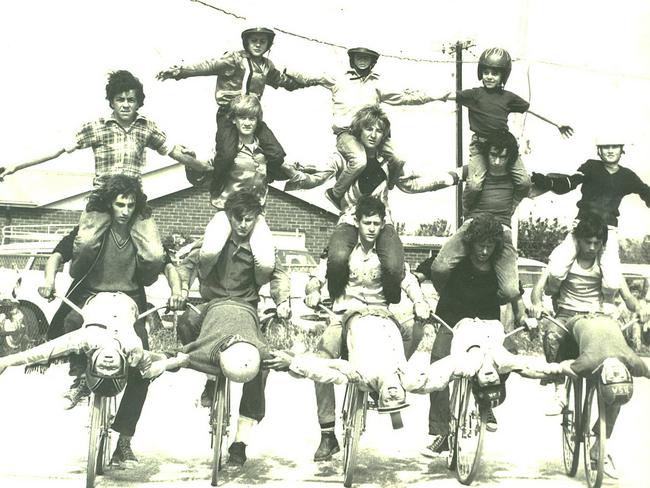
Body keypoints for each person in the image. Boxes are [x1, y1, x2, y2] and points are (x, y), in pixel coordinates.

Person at [31, 175, 182, 467]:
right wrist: (49, 281)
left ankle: (123, 441)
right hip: (91, 298)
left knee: (142, 368)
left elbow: (168, 265)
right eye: (119, 204)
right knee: (73, 322)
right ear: (109, 206)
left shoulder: (143, 237)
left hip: (129, 304)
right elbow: (57, 255)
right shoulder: (92, 231)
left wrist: (178, 290)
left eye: (130, 205)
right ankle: (81, 377)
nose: (125, 211)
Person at [285, 196, 431, 461]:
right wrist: (313, 291)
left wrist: (420, 302)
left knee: (415, 330)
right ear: (358, 222)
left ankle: (387, 380)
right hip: (343, 315)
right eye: (367, 223)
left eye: (377, 223)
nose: (372, 228)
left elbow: (407, 279)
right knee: (322, 361)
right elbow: (317, 277)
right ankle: (328, 434)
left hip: (382, 315)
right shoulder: (342, 251)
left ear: (383, 224)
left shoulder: (389, 255)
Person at [161, 190, 292, 467]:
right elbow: (188, 265)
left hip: (245, 309)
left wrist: (283, 301)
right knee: (186, 322)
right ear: (228, 217)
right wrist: (181, 289)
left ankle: (240, 441)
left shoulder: (260, 249)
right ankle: (209, 378)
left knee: (257, 361)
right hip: (212, 305)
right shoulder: (214, 243)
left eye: (249, 219)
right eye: (238, 218)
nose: (243, 225)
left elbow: (279, 275)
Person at [285, 104, 459, 305]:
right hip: (351, 218)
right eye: (369, 128)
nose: (374, 135)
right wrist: (290, 173)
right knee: (339, 258)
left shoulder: (387, 162)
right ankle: (332, 297)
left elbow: (413, 184)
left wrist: (455, 177)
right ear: (359, 130)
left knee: (394, 266)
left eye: (379, 130)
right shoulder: (343, 159)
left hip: (381, 222)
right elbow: (318, 177)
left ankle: (389, 299)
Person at [531, 213, 650, 479]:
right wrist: (538, 305)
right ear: (578, 240)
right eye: (588, 241)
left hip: (597, 318)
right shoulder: (566, 260)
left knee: (618, 380)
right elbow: (538, 288)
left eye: (597, 242)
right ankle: (559, 390)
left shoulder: (605, 265)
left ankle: (600, 443)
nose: (592, 247)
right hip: (566, 315)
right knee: (551, 336)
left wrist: (640, 308)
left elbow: (626, 295)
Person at [286, 47, 448, 208]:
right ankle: (335, 193)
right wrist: (288, 71)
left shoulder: (377, 85)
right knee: (359, 161)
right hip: (348, 134)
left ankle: (389, 184)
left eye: (366, 58)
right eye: (359, 58)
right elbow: (314, 77)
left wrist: (437, 96)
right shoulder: (339, 79)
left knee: (398, 159)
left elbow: (405, 97)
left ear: (372, 62)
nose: (362, 61)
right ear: (353, 60)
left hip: (371, 132)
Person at [424, 214, 529, 457]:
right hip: (451, 321)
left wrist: (523, 315)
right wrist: (418, 294)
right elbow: (428, 268)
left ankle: (486, 402)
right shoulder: (456, 262)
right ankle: (442, 433)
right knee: (438, 363)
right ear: (470, 243)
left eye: (489, 246)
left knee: (509, 355)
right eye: (479, 245)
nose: (483, 251)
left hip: (485, 325)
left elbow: (516, 294)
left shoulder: (498, 269)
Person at [180, 94, 311, 285]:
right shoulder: (226, 150)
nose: (247, 123)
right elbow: (206, 168)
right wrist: (191, 160)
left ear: (258, 121)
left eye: (252, 118)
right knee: (209, 252)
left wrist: (302, 170)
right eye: (243, 117)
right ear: (234, 119)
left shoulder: (264, 152)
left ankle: (253, 289)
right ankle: (206, 281)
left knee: (266, 264)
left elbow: (284, 169)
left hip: (254, 215)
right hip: (228, 212)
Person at [157, 26, 309, 187]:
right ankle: (217, 181)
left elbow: (282, 81)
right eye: (254, 41)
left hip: (252, 116)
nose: (258, 45)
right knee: (227, 155)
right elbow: (209, 66)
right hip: (230, 114)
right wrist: (181, 71)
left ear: (268, 44)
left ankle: (259, 178)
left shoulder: (266, 66)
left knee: (277, 155)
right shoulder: (235, 59)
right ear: (246, 42)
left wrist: (309, 81)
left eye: (262, 42)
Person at [0, 70, 198, 185]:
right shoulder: (96, 127)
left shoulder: (147, 127)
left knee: (153, 255)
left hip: (132, 198)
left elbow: (174, 151)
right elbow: (56, 150)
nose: (126, 104)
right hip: (102, 198)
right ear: (111, 102)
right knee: (86, 244)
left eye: (131, 99)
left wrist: (208, 168)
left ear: (139, 103)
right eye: (120, 99)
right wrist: (16, 166)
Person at [443, 47, 573, 212]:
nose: (489, 76)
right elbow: (448, 95)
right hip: (481, 146)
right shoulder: (474, 95)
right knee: (475, 185)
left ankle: (508, 208)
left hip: (504, 146)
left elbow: (531, 108)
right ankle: (468, 210)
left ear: (502, 76)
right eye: (486, 72)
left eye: (495, 73)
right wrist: (423, 96)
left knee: (524, 182)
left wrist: (557, 123)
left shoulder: (508, 97)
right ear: (480, 73)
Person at [531, 131, 650, 300]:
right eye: (605, 147)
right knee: (557, 271)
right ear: (598, 151)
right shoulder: (591, 167)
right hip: (582, 227)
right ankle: (554, 293)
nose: (610, 150)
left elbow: (646, 192)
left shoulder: (628, 176)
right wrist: (550, 183)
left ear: (622, 149)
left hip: (607, 231)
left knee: (612, 283)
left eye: (614, 146)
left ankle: (603, 305)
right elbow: (571, 182)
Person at [431, 130, 525, 304]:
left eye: (503, 157)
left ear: (510, 157)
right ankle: (448, 295)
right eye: (493, 155)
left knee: (511, 292)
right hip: (473, 223)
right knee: (439, 268)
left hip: (501, 227)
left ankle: (483, 302)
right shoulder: (474, 171)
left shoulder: (517, 178)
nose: (497, 162)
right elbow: (446, 177)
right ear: (486, 152)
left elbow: (542, 184)